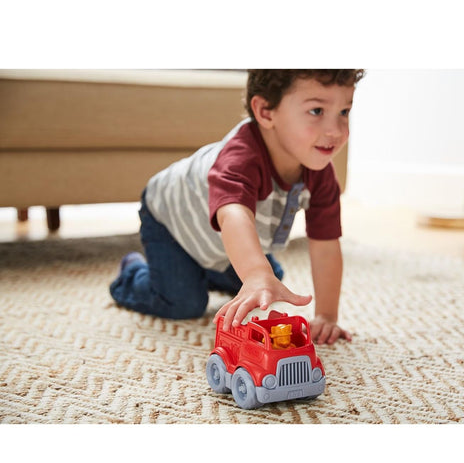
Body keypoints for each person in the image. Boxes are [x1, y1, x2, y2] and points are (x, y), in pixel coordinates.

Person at [110, 69, 365, 344]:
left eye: (344, 111)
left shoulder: (320, 172)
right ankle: (132, 272)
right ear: (266, 111)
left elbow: (326, 244)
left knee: (270, 280)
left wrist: (326, 316)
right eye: (317, 111)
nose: (336, 130)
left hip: (216, 240)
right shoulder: (239, 159)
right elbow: (233, 214)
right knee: (184, 303)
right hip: (171, 223)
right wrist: (255, 273)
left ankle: (208, 270)